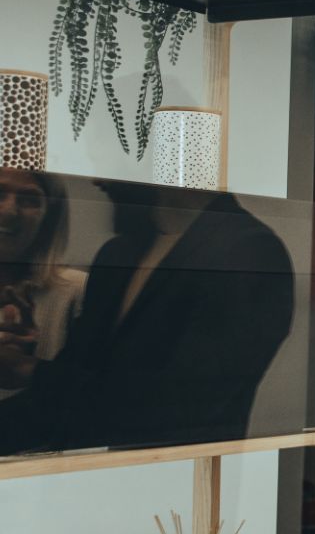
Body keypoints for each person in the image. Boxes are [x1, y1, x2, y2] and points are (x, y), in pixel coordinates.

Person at [0, 183, 294, 454]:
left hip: (180, 490)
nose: (97, 181)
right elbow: (65, 396)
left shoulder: (247, 251)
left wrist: (31, 371)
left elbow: (181, 408)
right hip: (89, 483)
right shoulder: (119, 253)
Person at [0, 169, 86, 398]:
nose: (9, 211)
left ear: (49, 217)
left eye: (30, 200)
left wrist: (30, 368)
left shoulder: (77, 291)